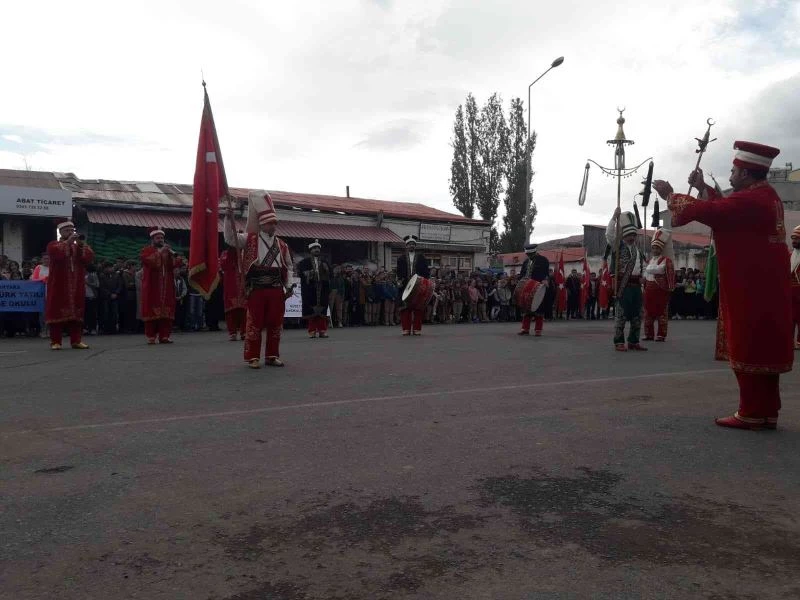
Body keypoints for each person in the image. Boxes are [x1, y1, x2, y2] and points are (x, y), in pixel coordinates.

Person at [655, 140, 792, 430]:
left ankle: (752, 412)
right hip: (765, 287)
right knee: (763, 347)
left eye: (733, 171)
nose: (730, 176)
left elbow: (716, 212)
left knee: (749, 344)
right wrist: (704, 188)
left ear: (745, 174)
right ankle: (766, 411)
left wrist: (670, 195)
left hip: (752, 289)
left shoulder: (752, 201)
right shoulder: (764, 197)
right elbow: (723, 207)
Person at [224, 191, 294, 369]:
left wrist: (289, 284)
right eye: (271, 223)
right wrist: (227, 219)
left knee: (275, 324)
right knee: (254, 324)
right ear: (262, 224)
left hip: (276, 289)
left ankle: (272, 355)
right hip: (257, 288)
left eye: (275, 223)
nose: (274, 226)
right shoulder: (250, 239)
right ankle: (253, 357)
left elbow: (289, 266)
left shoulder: (282, 245)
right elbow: (231, 239)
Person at [45, 220, 95, 349]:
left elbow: (88, 258)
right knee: (56, 312)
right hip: (59, 285)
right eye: (67, 230)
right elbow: (57, 255)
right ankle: (56, 341)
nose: (70, 233)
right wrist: (67, 242)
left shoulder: (77, 245)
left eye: (72, 230)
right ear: (60, 232)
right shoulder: (53, 244)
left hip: (76, 284)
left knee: (77, 313)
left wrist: (81, 245)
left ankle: (76, 340)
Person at [607, 209, 646, 351]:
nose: (632, 237)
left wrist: (643, 277)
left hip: (636, 287)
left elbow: (644, 266)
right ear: (624, 235)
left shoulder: (638, 250)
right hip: (623, 286)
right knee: (621, 315)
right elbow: (609, 234)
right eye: (629, 235)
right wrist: (614, 217)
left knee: (637, 316)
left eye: (633, 235)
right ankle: (619, 342)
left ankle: (634, 341)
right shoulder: (617, 246)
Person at [140, 226, 182, 344]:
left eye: (162, 238)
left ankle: (164, 336)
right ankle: (151, 336)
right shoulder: (146, 250)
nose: (161, 240)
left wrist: (175, 256)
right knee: (151, 310)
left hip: (167, 285)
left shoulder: (168, 251)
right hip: (152, 286)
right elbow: (150, 262)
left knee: (167, 312)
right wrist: (160, 253)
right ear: (152, 239)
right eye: (158, 238)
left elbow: (176, 263)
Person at [643, 229, 676, 342]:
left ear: (661, 248)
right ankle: (649, 334)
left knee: (661, 313)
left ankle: (661, 335)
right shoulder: (650, 260)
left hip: (660, 290)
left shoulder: (666, 260)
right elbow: (647, 272)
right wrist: (651, 269)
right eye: (653, 248)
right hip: (648, 289)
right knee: (648, 313)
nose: (655, 250)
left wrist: (650, 269)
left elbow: (660, 270)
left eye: (657, 248)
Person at [395, 235, 430, 335]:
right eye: (409, 244)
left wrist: (425, 281)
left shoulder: (421, 257)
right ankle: (406, 329)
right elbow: (399, 272)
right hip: (405, 285)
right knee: (405, 308)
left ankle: (417, 329)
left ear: (415, 246)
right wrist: (399, 281)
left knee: (418, 307)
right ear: (406, 246)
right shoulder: (401, 258)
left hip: (418, 284)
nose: (411, 246)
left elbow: (426, 271)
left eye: (413, 244)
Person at [298, 239, 331, 338]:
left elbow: (330, 274)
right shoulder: (304, 262)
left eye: (318, 248)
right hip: (310, 288)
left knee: (322, 309)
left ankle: (322, 330)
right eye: (314, 248)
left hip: (322, 288)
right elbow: (302, 273)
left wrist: (327, 270)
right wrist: (311, 273)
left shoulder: (325, 261)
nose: (317, 250)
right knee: (311, 309)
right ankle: (312, 331)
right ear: (310, 250)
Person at [517, 243, 552, 336]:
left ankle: (538, 330)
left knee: (538, 308)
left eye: (531, 254)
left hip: (538, 287)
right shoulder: (525, 262)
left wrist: (545, 279)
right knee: (526, 308)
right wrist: (521, 282)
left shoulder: (543, 260)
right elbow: (522, 274)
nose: (529, 256)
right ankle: (525, 329)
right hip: (527, 287)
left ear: (535, 252)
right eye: (528, 254)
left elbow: (545, 273)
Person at [220, 243, 247, 341]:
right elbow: (223, 265)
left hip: (243, 286)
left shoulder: (245, 254)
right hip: (230, 286)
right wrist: (232, 250)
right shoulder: (225, 253)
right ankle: (232, 332)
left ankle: (244, 332)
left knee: (244, 311)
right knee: (231, 311)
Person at [791, 225, 800, 350]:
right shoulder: (789, 255)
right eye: (793, 238)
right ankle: (788, 341)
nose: (794, 241)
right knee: (789, 319)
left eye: (797, 238)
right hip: (789, 295)